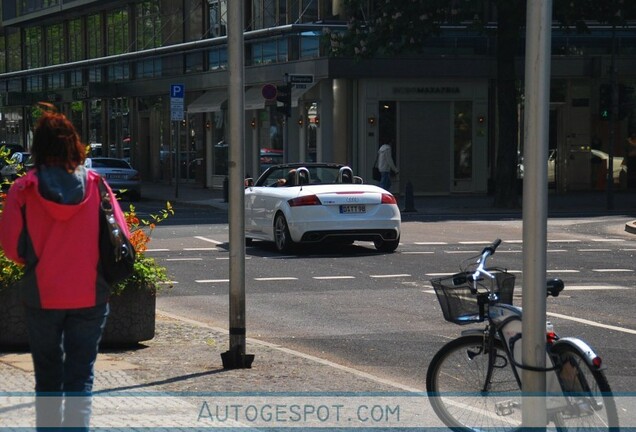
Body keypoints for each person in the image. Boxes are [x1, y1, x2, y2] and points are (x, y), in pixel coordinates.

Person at [0, 103, 129, 431]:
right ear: (74, 145)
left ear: (36, 148)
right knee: (80, 378)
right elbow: (121, 238)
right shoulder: (97, 184)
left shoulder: (23, 190)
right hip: (90, 296)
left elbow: (12, 249)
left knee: (47, 380)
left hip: (42, 297)